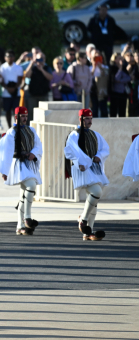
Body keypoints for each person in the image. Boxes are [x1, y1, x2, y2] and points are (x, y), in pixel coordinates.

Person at [0, 107, 42, 235]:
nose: (24, 118)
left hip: (29, 164)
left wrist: (33, 153)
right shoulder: (12, 132)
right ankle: (27, 218)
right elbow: (6, 152)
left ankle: (20, 226)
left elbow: (38, 144)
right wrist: (4, 171)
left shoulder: (31, 130)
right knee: (30, 187)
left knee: (24, 194)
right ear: (16, 117)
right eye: (22, 116)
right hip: (18, 164)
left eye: (25, 116)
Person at [64, 109, 110, 241]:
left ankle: (88, 233)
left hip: (94, 169)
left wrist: (98, 156)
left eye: (90, 119)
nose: (89, 121)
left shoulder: (95, 134)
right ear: (80, 119)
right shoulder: (74, 135)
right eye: (86, 119)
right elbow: (69, 151)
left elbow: (105, 149)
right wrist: (79, 163)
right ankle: (83, 219)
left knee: (94, 200)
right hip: (82, 169)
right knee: (96, 191)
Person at [24, 52, 52, 120]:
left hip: (43, 94)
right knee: (31, 113)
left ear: (44, 59)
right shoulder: (33, 68)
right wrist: (32, 63)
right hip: (32, 95)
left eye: (41, 59)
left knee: (44, 114)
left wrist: (41, 69)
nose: (40, 60)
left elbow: (50, 77)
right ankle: (30, 129)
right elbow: (27, 75)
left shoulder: (47, 68)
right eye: (38, 59)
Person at [0, 50, 23, 128]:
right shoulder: (2, 67)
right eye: (8, 56)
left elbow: (20, 80)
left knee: (16, 111)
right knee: (7, 111)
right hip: (6, 93)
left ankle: (16, 126)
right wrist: (7, 88)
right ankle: (9, 127)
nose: (9, 58)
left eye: (11, 56)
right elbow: (1, 80)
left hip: (16, 93)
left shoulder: (18, 67)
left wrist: (14, 88)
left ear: (14, 57)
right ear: (5, 57)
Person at [109, 53, 131, 117]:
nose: (121, 60)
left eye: (122, 58)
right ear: (115, 60)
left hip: (123, 94)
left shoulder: (125, 68)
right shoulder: (112, 68)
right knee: (113, 111)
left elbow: (129, 78)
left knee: (122, 111)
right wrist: (120, 69)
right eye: (119, 58)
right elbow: (116, 78)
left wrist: (120, 80)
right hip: (115, 94)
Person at [90, 50, 109, 118]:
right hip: (94, 90)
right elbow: (90, 77)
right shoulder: (90, 68)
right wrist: (94, 67)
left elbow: (106, 76)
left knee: (103, 108)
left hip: (102, 91)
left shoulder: (105, 67)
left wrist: (101, 68)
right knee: (94, 109)